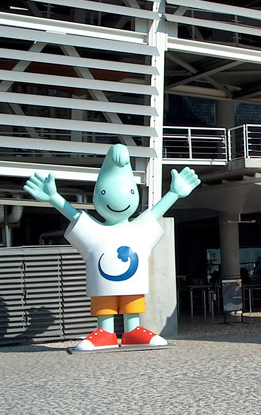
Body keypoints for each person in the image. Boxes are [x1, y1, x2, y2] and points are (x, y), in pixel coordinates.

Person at [24, 144, 201, 351]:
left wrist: (174, 193)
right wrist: (54, 197)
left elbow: (154, 214)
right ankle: (105, 332)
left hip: (132, 283)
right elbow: (74, 215)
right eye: (105, 191)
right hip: (103, 284)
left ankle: (133, 330)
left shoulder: (138, 229)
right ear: (98, 195)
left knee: (132, 299)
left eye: (131, 191)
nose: (119, 199)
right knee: (104, 300)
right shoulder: (96, 231)